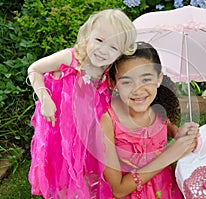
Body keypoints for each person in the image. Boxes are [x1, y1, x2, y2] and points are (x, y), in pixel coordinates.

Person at [27, 9, 137, 198]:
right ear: (88, 35)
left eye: (113, 48)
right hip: (59, 132)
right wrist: (45, 99)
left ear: (121, 53)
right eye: (99, 41)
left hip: (87, 134)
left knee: (86, 175)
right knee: (61, 174)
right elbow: (34, 69)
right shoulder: (69, 58)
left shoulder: (108, 72)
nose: (103, 51)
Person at [101, 41, 200, 198]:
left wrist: (180, 134)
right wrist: (171, 153)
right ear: (113, 83)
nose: (138, 90)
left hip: (166, 189)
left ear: (159, 79)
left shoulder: (156, 106)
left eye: (146, 79)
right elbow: (117, 189)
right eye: (127, 82)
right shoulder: (106, 120)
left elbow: (167, 129)